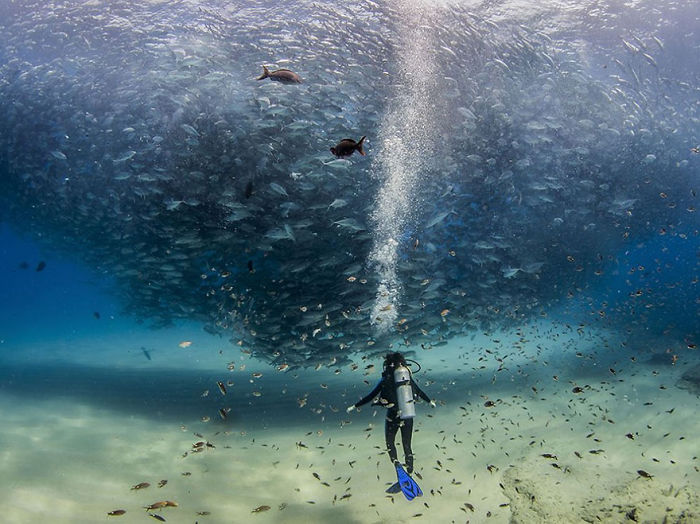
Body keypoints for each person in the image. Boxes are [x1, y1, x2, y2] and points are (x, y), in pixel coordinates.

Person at [346, 352, 435, 474]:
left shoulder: (386, 379)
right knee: (407, 444)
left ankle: (396, 464)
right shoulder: (406, 378)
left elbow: (371, 396)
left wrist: (355, 406)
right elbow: (419, 391)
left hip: (392, 416)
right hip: (407, 414)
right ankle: (410, 471)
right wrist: (429, 401)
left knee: (390, 442)